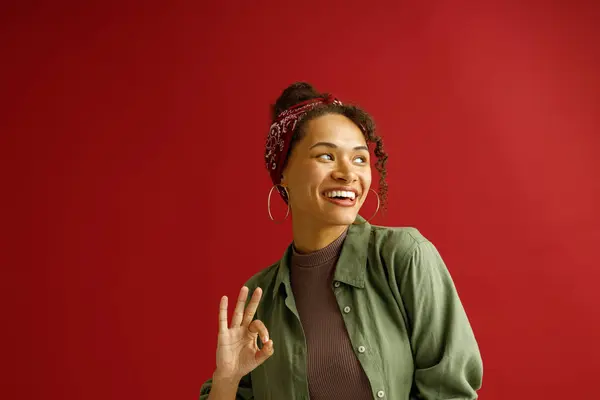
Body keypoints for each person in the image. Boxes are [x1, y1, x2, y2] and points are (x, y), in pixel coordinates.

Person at [200, 82, 483, 400]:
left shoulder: (404, 257)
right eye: (325, 156)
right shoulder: (259, 299)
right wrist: (226, 378)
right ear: (283, 173)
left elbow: (450, 393)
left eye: (360, 159)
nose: (348, 174)